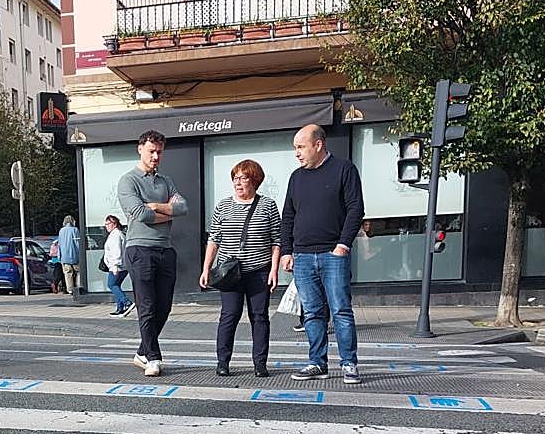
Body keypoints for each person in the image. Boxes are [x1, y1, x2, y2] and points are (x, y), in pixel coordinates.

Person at [281, 123, 365, 384]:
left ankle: (349, 364)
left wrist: (343, 245)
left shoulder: (344, 169)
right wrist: (287, 251)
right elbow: (288, 215)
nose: (296, 153)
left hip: (333, 253)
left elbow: (355, 209)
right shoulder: (296, 177)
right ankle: (317, 362)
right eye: (295, 148)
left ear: (318, 145)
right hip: (303, 256)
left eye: (300, 147)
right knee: (312, 313)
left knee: (341, 310)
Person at [200, 159, 281, 377]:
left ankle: (260, 364)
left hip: (259, 270)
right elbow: (214, 239)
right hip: (229, 273)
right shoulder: (223, 206)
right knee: (229, 315)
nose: (237, 182)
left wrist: (274, 270)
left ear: (255, 180)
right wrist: (206, 268)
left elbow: (276, 240)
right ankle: (223, 362)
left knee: (259, 316)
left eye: (243, 178)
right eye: (235, 178)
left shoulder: (268, 205)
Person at [117, 130, 188, 377]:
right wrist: (168, 212)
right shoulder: (128, 181)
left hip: (165, 249)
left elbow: (183, 207)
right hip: (139, 248)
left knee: (164, 307)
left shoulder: (166, 181)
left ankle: (141, 352)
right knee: (146, 305)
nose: (156, 156)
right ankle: (153, 358)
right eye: (151, 151)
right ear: (140, 149)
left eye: (159, 152)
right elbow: (140, 214)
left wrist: (157, 206)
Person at [103, 215, 134, 316]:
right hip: (122, 266)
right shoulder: (117, 234)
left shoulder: (115, 235)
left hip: (117, 266)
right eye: (106, 224)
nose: (107, 226)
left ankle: (127, 303)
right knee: (116, 285)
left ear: (114, 224)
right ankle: (120, 308)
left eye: (108, 224)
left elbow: (116, 251)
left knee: (111, 285)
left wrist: (115, 265)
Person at [57, 216, 82, 299]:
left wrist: (59, 256)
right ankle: (78, 287)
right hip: (75, 256)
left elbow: (59, 244)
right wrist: (80, 254)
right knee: (79, 272)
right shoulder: (75, 230)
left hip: (64, 257)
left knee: (68, 273)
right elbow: (77, 243)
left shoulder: (61, 231)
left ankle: (70, 290)